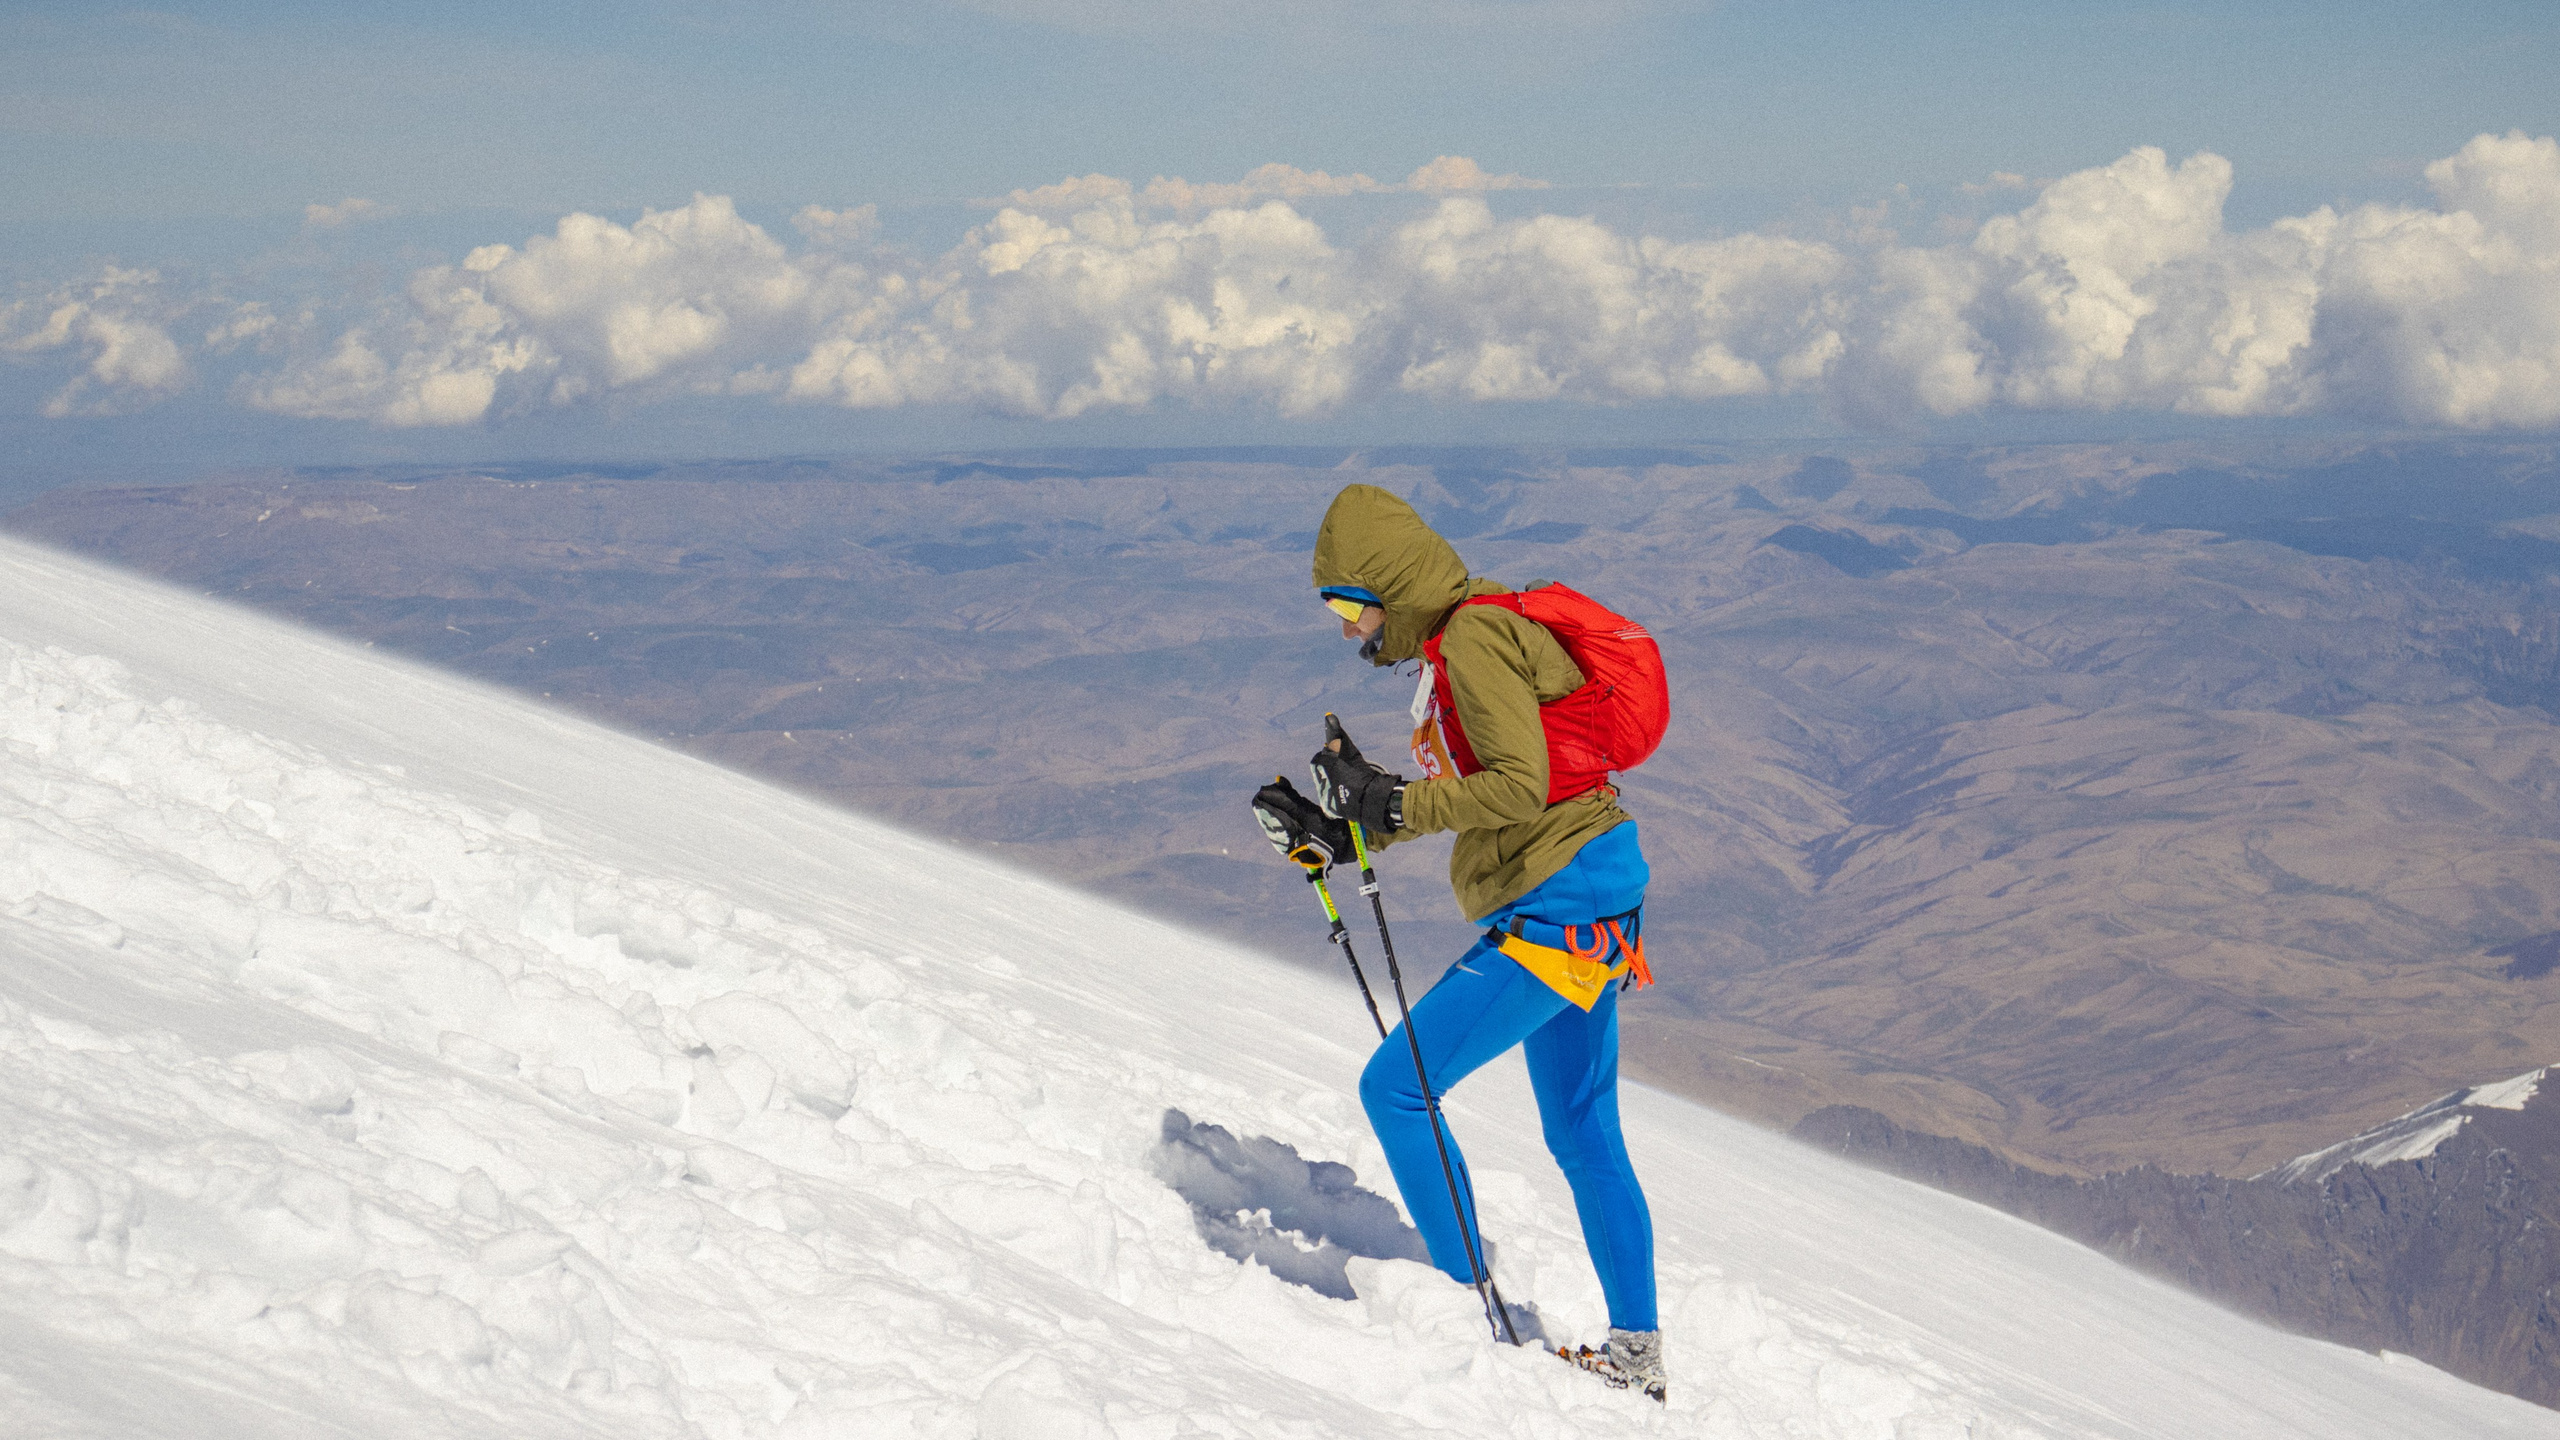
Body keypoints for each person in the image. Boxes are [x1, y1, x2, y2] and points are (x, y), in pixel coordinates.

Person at [1292, 483, 1664, 1401]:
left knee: (1397, 1089)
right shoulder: (1468, 636)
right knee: (1583, 1131)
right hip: (1591, 896)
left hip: (1559, 912)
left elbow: (1515, 787)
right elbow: (1494, 791)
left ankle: (1463, 1303)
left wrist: (1392, 804)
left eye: (1349, 605)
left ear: (1390, 585)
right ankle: (1637, 1358)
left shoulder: (1472, 639)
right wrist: (1357, 829)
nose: (1347, 630)